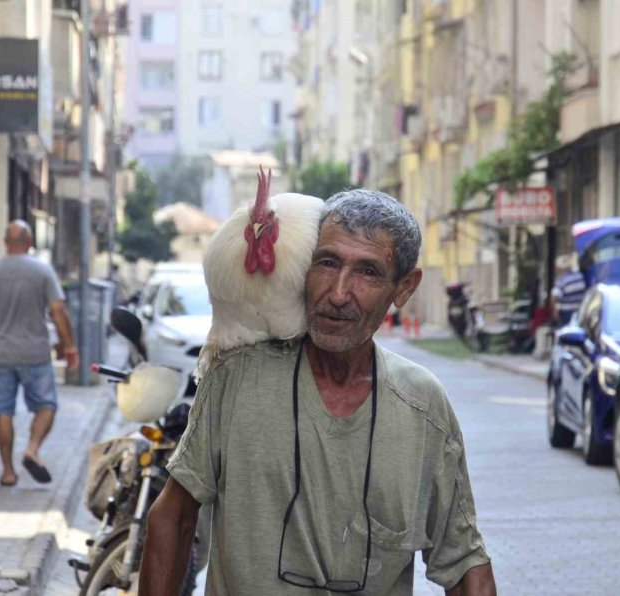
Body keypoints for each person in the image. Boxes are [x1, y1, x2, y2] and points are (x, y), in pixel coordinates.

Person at [139, 190, 496, 595]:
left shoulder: (422, 405)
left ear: (404, 288)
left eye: (368, 272)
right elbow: (172, 518)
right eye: (327, 263)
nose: (339, 293)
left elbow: (465, 564)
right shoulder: (236, 377)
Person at [0, 220, 79, 487]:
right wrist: (68, 346)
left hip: (0, 353)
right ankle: (32, 449)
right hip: (35, 352)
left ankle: (7, 472)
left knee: (3, 412)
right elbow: (58, 310)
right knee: (46, 406)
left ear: (5, 242)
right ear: (29, 241)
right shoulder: (42, 271)